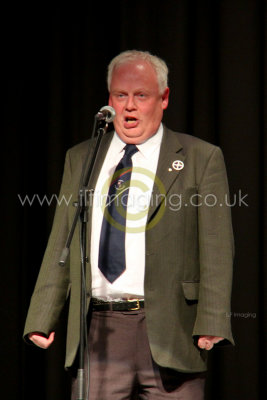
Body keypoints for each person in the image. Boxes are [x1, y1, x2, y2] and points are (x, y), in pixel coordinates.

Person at [24, 50, 234, 399]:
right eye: (121, 95)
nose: (130, 106)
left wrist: (212, 320)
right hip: (98, 334)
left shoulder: (200, 158)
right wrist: (41, 316)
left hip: (171, 330)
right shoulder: (82, 158)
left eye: (142, 95)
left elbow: (216, 247)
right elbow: (62, 238)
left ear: (164, 98)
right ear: (110, 100)